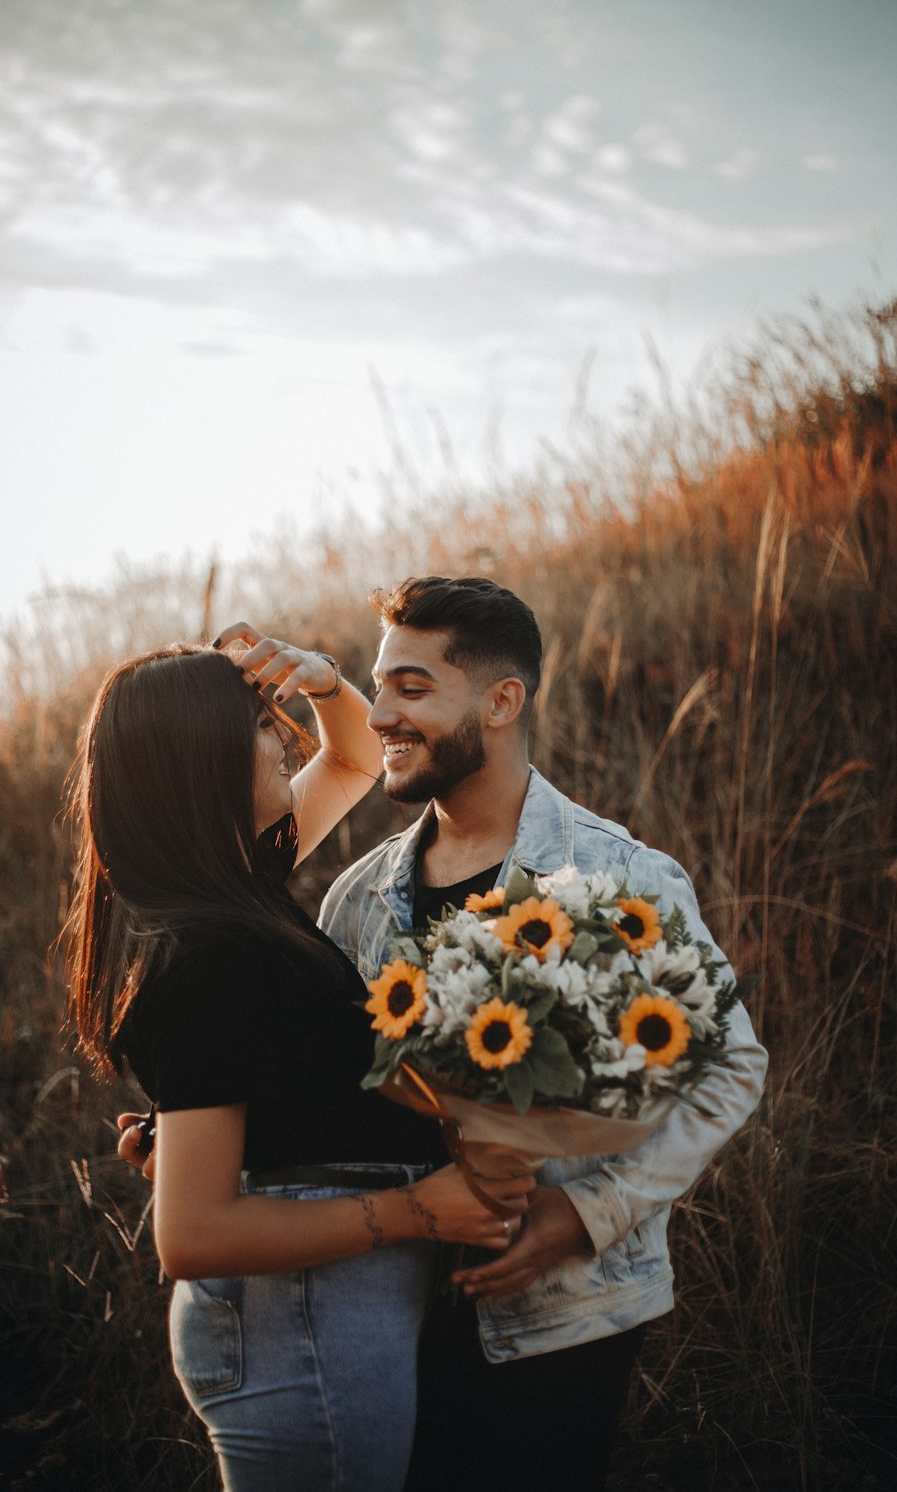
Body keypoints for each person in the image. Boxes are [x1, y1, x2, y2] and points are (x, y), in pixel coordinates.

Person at [316, 575, 769, 1492]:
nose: (382, 717)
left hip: (567, 1312)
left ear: (501, 700)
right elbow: (331, 1090)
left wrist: (587, 1214)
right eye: (377, 687)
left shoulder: (619, 873)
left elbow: (731, 1067)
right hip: (384, 1311)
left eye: (411, 688)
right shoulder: (355, 899)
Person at [65, 627, 532, 1492]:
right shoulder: (206, 950)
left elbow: (353, 762)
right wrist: (418, 1213)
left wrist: (319, 682)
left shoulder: (232, 890)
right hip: (303, 1318)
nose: (284, 737)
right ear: (200, 763)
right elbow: (193, 1234)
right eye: (259, 726)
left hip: (317, 1311)